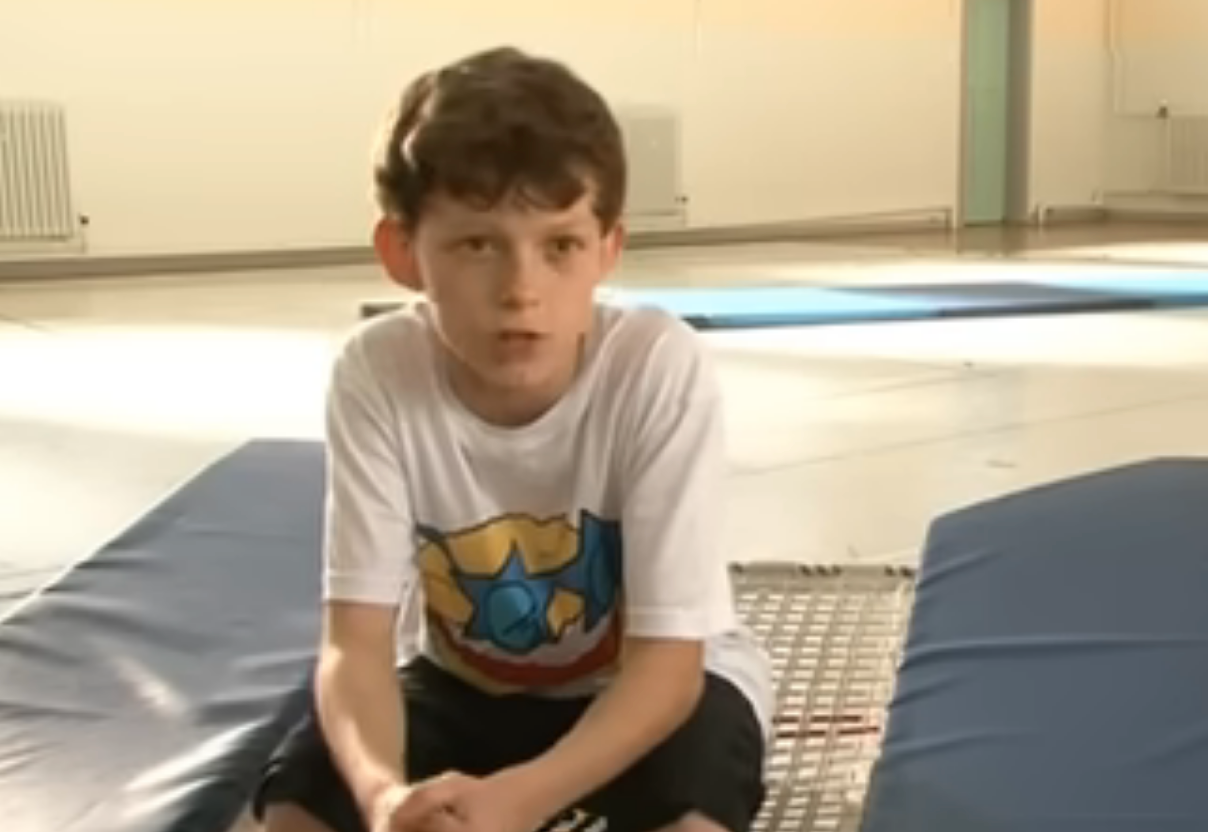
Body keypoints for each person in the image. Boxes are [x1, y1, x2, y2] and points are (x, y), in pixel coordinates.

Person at [253, 46, 773, 832]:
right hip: (460, 688)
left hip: (641, 695)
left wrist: (520, 802)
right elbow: (355, 644)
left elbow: (667, 669)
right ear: (403, 253)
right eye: (477, 245)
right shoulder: (377, 372)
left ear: (607, 250)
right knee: (296, 810)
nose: (521, 290)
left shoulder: (655, 365)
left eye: (559, 246)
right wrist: (386, 798)